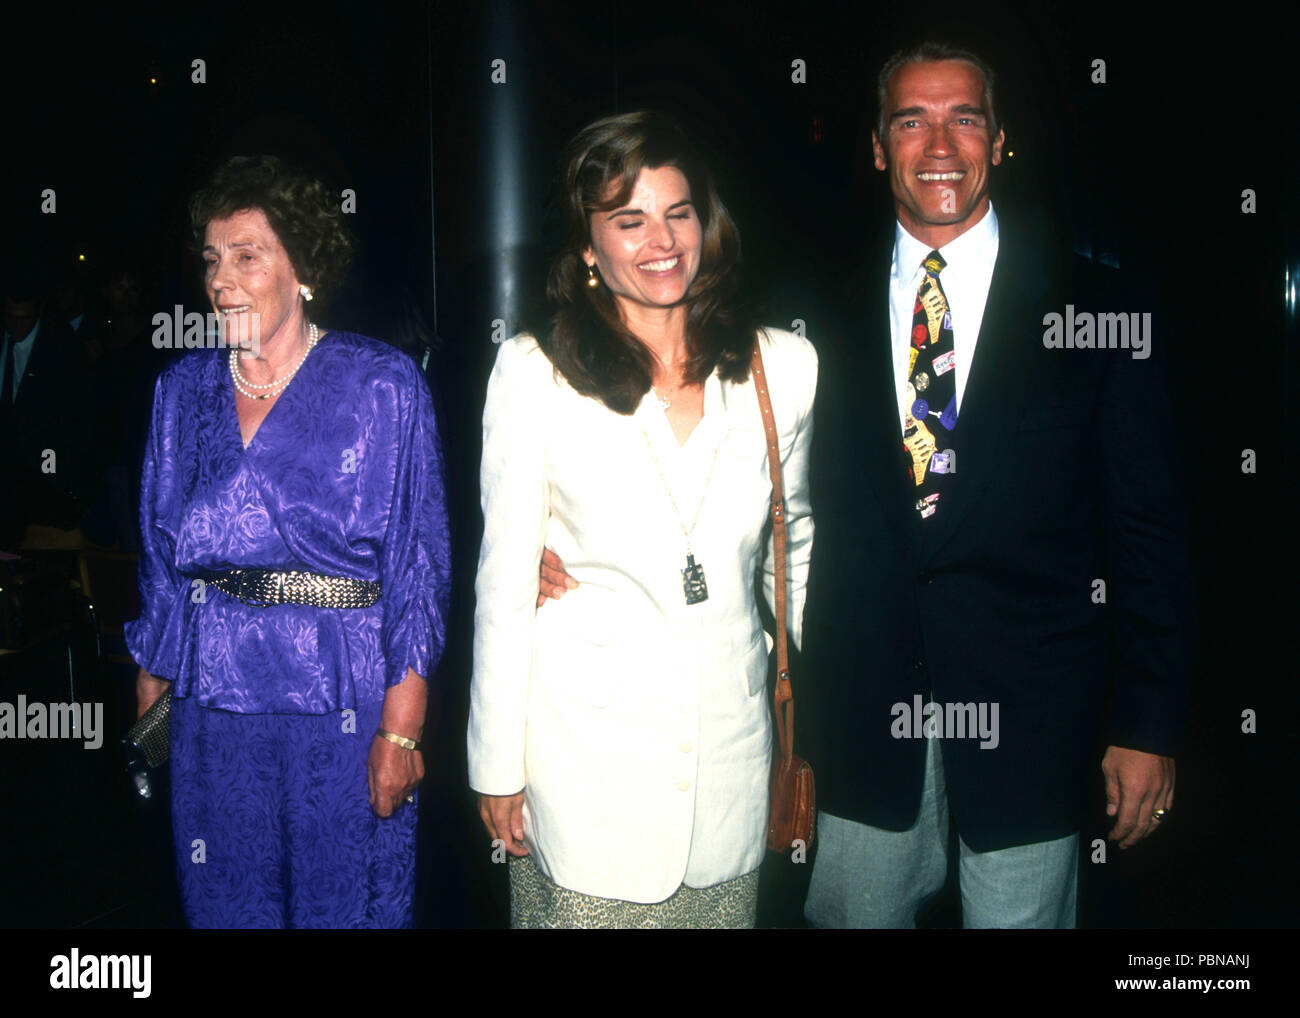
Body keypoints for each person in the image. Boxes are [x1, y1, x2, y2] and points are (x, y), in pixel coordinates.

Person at [794, 42, 1193, 927]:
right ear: (876, 145)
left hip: (1034, 732)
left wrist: (1149, 723)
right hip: (859, 729)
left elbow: (1149, 535)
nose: (940, 144)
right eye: (912, 119)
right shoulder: (804, 315)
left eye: (963, 117)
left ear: (1000, 140)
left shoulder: (1098, 313)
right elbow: (743, 484)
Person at [467, 111, 816, 928]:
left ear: (709, 223)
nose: (661, 240)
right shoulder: (534, 372)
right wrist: (495, 765)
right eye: (628, 221)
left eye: (679, 212)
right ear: (588, 246)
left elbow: (795, 547)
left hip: (731, 773)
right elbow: (505, 582)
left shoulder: (781, 368)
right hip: (583, 774)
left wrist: (787, 677)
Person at [126, 155, 451, 928]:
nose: (221, 279)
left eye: (247, 256)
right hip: (212, 708)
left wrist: (402, 729)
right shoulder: (181, 392)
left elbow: (416, 567)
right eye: (211, 259)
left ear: (302, 268)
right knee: (226, 903)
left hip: (343, 701)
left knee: (344, 904)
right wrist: (151, 704)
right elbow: (161, 565)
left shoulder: (384, 384)